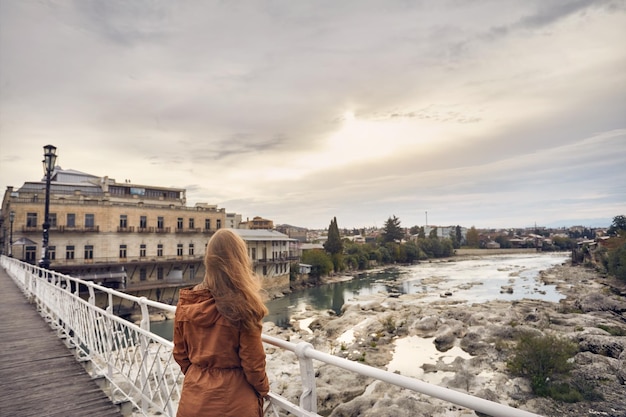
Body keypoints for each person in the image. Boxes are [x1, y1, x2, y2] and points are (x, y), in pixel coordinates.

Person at [173, 229, 270, 417]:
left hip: (194, 399)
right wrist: (263, 389)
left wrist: (199, 374)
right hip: (234, 402)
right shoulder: (244, 307)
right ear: (240, 260)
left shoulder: (187, 303)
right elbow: (253, 364)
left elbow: (179, 353)